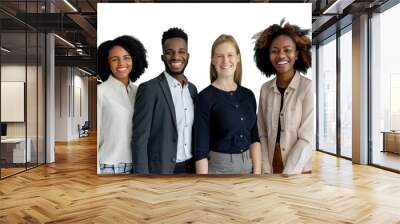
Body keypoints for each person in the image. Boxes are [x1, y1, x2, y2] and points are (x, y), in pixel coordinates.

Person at [132, 27, 197, 174]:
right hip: (162, 170)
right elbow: (139, 139)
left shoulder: (192, 90)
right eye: (169, 52)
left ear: (187, 56)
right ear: (163, 57)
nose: (175, 57)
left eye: (181, 52)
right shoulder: (149, 89)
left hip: (192, 169)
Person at [194, 34, 261, 174]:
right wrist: (202, 184)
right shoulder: (204, 97)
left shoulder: (248, 95)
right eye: (219, 56)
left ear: (238, 58)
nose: (225, 60)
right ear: (213, 60)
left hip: (248, 167)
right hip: (218, 170)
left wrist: (257, 174)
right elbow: (200, 149)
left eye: (230, 55)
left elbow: (254, 138)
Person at [254, 21, 313, 176]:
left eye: (287, 50)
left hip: (299, 167)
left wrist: (288, 173)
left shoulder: (308, 88)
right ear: (268, 55)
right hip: (270, 163)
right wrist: (266, 169)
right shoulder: (265, 89)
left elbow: (306, 138)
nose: (281, 55)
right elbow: (262, 133)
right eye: (275, 51)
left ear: (297, 54)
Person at [97, 35, 148, 174]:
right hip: (108, 166)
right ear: (107, 63)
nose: (121, 63)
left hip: (137, 165)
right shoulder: (100, 92)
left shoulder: (139, 92)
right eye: (115, 59)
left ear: (134, 59)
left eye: (126, 57)